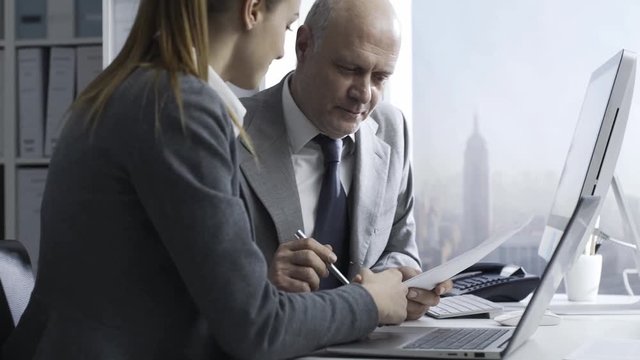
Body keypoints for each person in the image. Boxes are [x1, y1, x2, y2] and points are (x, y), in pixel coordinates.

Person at [3, 1, 411, 359]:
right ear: (252, 10)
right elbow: (259, 329)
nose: (281, 51)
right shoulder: (181, 107)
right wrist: (370, 302)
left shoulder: (133, 89)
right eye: (286, 27)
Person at [238, 0, 452, 320]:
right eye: (350, 69)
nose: (364, 94)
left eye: (380, 78)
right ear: (304, 45)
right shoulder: (232, 129)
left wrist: (399, 279)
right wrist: (262, 284)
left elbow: (399, 246)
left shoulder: (393, 129)